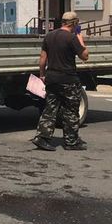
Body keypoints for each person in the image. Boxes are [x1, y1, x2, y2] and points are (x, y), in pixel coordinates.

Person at [32, 11, 89, 151]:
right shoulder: (72, 38)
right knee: (70, 110)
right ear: (75, 23)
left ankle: (42, 138)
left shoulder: (49, 36)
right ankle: (71, 141)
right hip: (68, 79)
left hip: (51, 78)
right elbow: (85, 56)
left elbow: (42, 59)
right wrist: (80, 37)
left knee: (50, 109)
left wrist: (42, 75)